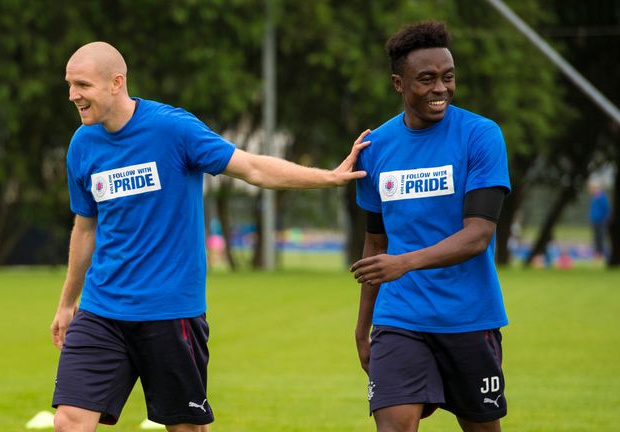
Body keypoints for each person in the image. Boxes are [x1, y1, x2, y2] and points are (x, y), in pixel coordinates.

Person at [51, 41, 371, 432]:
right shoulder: (82, 145)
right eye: (70, 85)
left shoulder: (173, 129)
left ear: (116, 83)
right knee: (69, 421)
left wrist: (329, 177)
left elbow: (252, 168)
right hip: (102, 309)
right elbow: (86, 227)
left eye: (82, 85)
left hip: (170, 312)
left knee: (187, 428)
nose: (73, 96)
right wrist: (68, 304)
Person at [350, 22, 510, 432]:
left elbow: (478, 235)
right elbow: (375, 242)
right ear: (398, 83)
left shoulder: (481, 136)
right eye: (427, 79)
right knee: (394, 426)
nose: (440, 88)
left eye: (448, 77)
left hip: (469, 318)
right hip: (400, 316)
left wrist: (404, 263)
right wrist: (363, 326)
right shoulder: (375, 148)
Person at [588, 180, 610, 260]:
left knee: (600, 238)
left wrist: (603, 219)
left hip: (600, 221)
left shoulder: (602, 198)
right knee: (596, 238)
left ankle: (600, 254)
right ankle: (597, 253)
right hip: (595, 221)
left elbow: (606, 209)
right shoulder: (594, 198)